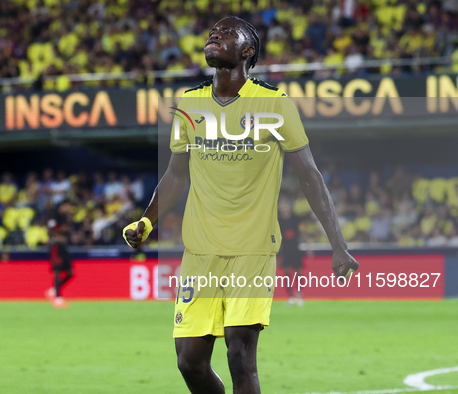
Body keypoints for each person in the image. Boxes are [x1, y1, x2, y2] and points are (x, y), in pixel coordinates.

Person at [123, 16, 359, 394]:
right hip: (200, 252)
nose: (214, 35)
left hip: (252, 249)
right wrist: (146, 223)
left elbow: (310, 176)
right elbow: (175, 175)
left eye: (227, 33)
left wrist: (337, 243)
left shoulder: (275, 105)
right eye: (212, 32)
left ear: (247, 51)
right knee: (190, 362)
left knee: (240, 357)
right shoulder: (189, 105)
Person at [277, 198, 304, 306]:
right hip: (285, 249)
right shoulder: (278, 220)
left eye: (286, 204)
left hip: (295, 248)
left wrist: (308, 244)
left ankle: (299, 294)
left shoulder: (296, 218)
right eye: (282, 205)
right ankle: (290, 297)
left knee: (298, 272)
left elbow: (303, 231)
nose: (284, 206)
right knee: (287, 274)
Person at [45, 219, 74, 308]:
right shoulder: (52, 237)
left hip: (63, 252)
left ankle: (54, 289)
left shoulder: (60, 231)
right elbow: (51, 242)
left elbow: (65, 240)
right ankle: (58, 297)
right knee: (57, 273)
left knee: (70, 273)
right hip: (56, 253)